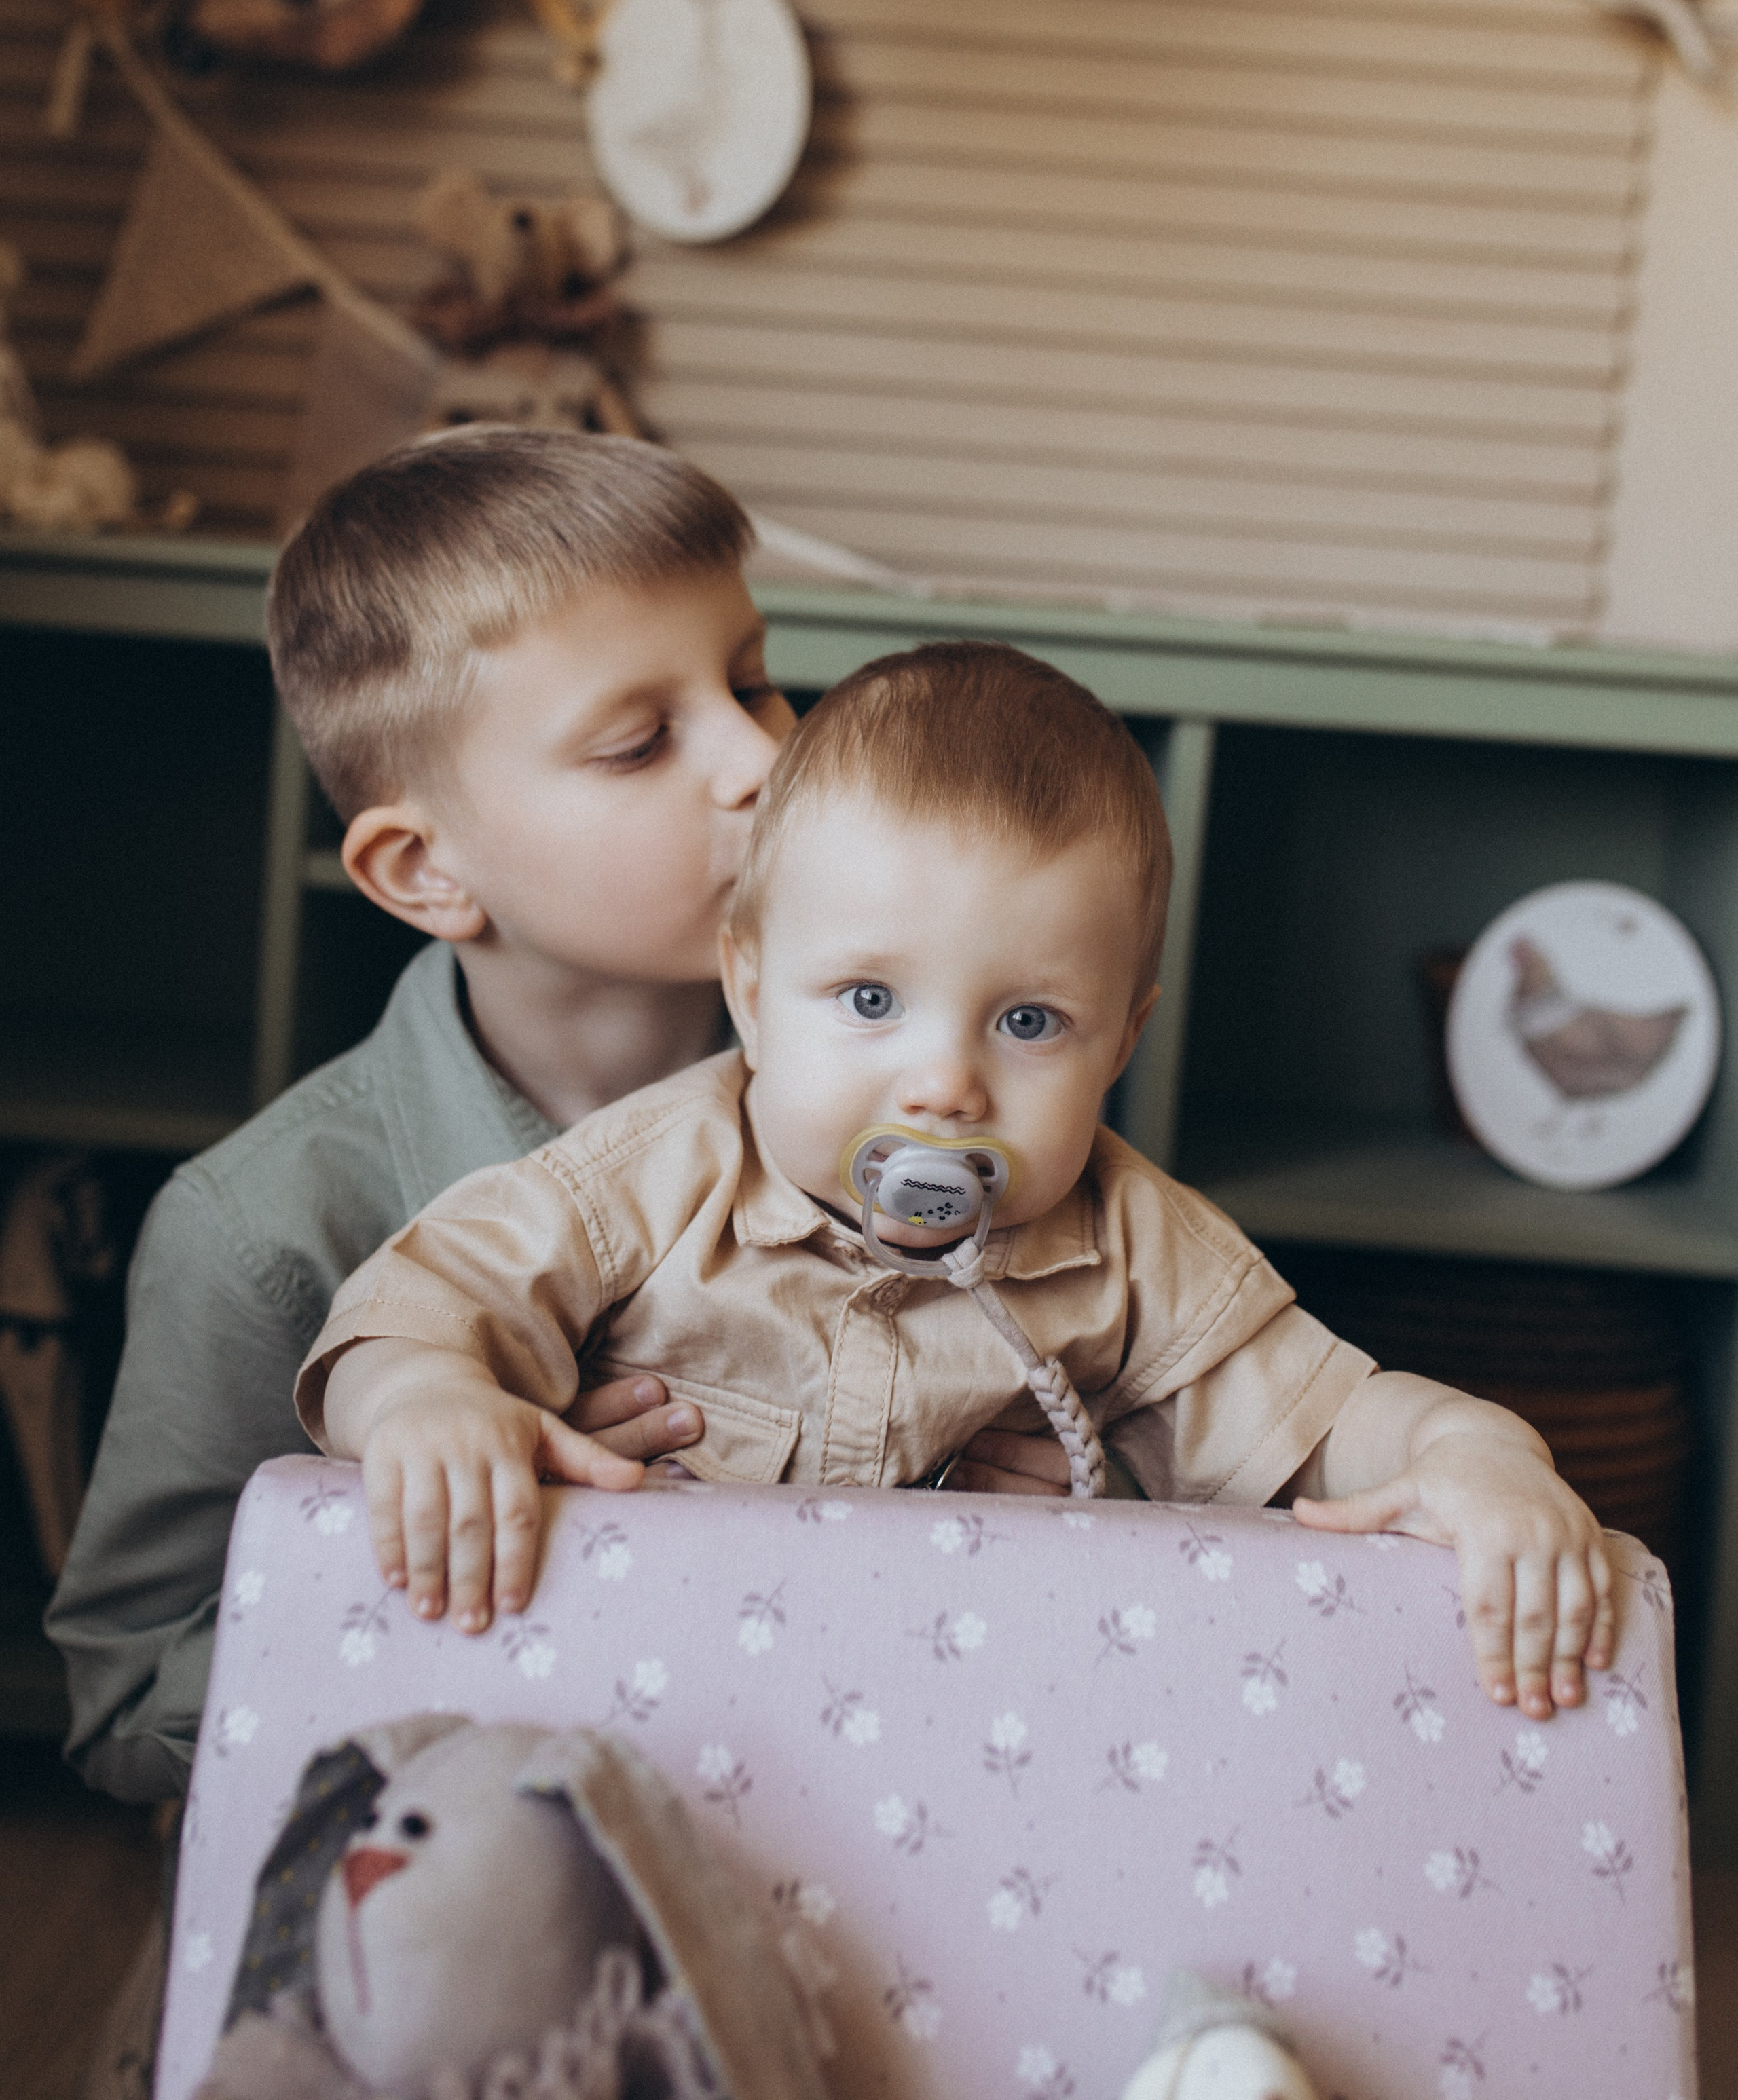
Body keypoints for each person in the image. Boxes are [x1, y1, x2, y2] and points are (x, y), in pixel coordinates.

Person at [301, 641, 1615, 1725]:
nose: (944, 1085)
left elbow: (1328, 1427)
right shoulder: (650, 1183)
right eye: (870, 999)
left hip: (971, 1753)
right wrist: (425, 1399)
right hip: (641, 1721)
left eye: (1031, 1023)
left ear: (1122, 1038)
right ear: (752, 994)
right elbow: (416, 1309)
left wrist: (1470, 1450)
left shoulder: (1140, 1257)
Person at [47, 426, 795, 1803]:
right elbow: (127, 1708)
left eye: (755, 681)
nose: (763, 755)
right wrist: (458, 1549)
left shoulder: (921, 1108)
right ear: (425, 868)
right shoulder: (259, 1233)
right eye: (640, 743)